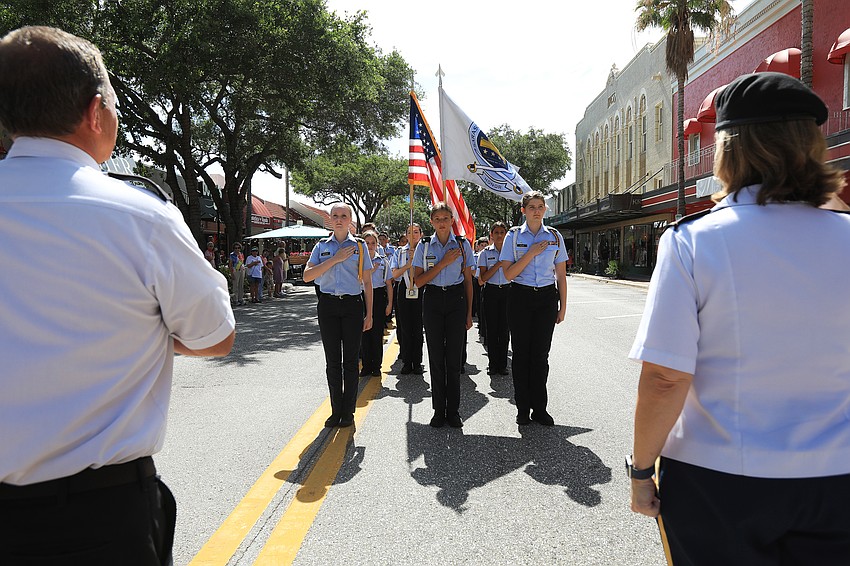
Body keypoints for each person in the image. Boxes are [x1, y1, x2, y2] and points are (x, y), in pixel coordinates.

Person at [0, 26, 235, 564]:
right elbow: (217, 335)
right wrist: (142, 339)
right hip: (97, 518)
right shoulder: (140, 216)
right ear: (94, 112)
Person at [628, 72, 850, 565]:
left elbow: (666, 377)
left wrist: (642, 471)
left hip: (719, 480)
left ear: (729, 150)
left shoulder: (693, 240)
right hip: (838, 476)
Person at [500, 191, 568, 426]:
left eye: (541, 206)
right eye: (532, 207)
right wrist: (531, 253)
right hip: (520, 297)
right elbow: (508, 274)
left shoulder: (555, 237)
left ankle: (540, 408)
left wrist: (563, 307)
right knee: (521, 356)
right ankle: (522, 409)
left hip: (547, 299)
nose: (537, 211)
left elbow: (561, 275)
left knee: (541, 356)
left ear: (545, 210)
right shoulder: (513, 236)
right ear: (524, 210)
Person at [303, 203, 373, 428]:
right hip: (328, 306)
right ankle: (336, 411)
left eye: (344, 215)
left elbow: (368, 282)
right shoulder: (321, 247)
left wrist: (369, 314)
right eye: (335, 216)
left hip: (352, 306)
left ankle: (348, 412)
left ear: (350, 219)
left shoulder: (360, 247)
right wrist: (335, 259)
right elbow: (307, 276)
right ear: (330, 219)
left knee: (351, 363)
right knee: (333, 361)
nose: (339, 219)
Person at [412, 203, 475, 428]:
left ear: (452, 221)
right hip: (433, 300)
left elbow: (468, 281)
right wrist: (443, 263)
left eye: (445, 218)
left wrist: (469, 313)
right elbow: (418, 281)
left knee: (453, 360)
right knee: (436, 358)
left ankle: (454, 410)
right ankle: (439, 410)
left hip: (456, 300)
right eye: (437, 218)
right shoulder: (425, 245)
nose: (441, 222)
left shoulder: (462, 244)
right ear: (431, 222)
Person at [390, 223, 425, 375]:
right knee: (404, 327)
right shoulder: (400, 252)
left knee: (418, 328)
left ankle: (417, 362)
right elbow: (394, 274)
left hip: (420, 287)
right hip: (404, 288)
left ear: (421, 234)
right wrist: (408, 265)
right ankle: (406, 361)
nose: (413, 235)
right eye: (410, 232)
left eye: (416, 232)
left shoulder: (425, 249)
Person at [478, 222, 510, 376]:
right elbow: (481, 279)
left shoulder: (511, 252)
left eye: (502, 232)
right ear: (491, 235)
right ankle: (492, 364)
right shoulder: (485, 253)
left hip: (507, 292)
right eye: (496, 232)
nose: (499, 235)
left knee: (504, 330)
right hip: (490, 292)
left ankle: (503, 365)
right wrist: (498, 264)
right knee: (492, 330)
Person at [360, 230, 392, 378]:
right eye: (367, 243)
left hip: (378, 296)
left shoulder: (383, 261)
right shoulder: (357, 261)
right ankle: (366, 365)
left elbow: (388, 284)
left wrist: (390, 304)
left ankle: (376, 366)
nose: (370, 246)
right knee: (364, 333)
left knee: (377, 333)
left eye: (373, 243)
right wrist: (369, 270)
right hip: (362, 296)